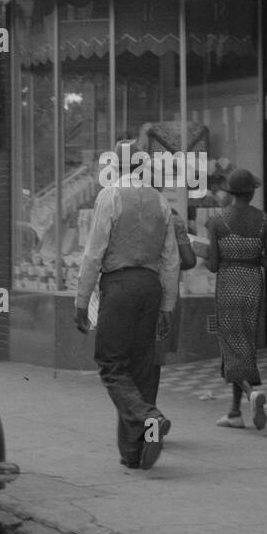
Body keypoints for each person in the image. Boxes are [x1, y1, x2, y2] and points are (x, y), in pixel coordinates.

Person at [74, 172, 179, 471]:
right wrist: (167, 306)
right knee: (141, 370)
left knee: (111, 364)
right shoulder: (160, 201)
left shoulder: (111, 195)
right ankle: (133, 452)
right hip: (150, 284)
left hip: (119, 285)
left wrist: (82, 301)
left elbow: (94, 253)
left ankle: (149, 417)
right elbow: (170, 259)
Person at [205, 169, 267, 430]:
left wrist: (205, 252)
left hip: (227, 282)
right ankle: (234, 412)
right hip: (252, 283)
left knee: (230, 340)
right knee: (245, 342)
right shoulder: (265, 221)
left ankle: (250, 394)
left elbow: (212, 265)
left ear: (230, 193)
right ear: (252, 192)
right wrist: (254, 257)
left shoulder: (216, 222)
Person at [151, 206, 198, 404]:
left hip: (129, 288)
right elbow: (189, 259)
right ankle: (148, 414)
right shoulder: (173, 217)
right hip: (164, 292)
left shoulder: (122, 209)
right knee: (154, 361)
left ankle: (134, 421)